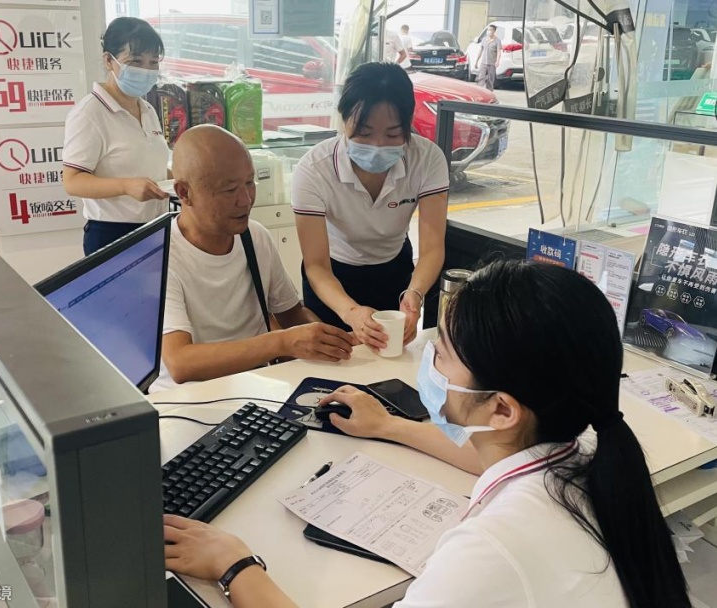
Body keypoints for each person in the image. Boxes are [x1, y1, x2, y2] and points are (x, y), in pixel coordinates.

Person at [162, 260, 692, 608]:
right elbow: (487, 458)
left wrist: (234, 565)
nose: (429, 363)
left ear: (502, 409)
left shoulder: (492, 547)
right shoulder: (586, 453)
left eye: (442, 354)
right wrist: (388, 425)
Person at [150, 125, 357, 390]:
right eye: (229, 190)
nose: (246, 199)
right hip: (186, 399)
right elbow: (181, 363)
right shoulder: (160, 256)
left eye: (250, 182)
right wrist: (282, 342)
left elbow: (292, 314)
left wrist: (334, 341)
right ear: (184, 193)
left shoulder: (254, 236)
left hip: (254, 387)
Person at [291, 62, 448, 351]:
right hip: (333, 277)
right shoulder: (313, 170)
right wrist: (350, 312)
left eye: (392, 135)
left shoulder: (427, 159)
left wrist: (415, 293)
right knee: (333, 358)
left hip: (394, 270)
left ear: (408, 123)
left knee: (388, 355)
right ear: (343, 120)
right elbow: (316, 265)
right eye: (364, 133)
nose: (377, 146)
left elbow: (433, 248)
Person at [63, 17, 170, 256]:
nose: (146, 70)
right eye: (135, 61)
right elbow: (72, 181)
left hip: (156, 227)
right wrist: (126, 186)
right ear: (109, 60)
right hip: (112, 234)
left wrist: (180, 180)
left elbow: (148, 164)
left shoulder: (147, 109)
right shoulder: (89, 113)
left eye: (153, 62)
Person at [474, 24, 502, 91]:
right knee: (481, 79)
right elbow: (481, 50)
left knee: (490, 80)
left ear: (494, 31)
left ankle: (489, 92)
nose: (489, 31)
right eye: (488, 30)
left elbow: (499, 51)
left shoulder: (497, 40)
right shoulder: (484, 39)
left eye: (491, 30)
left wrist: (497, 61)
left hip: (492, 64)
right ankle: (479, 92)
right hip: (483, 63)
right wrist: (476, 61)